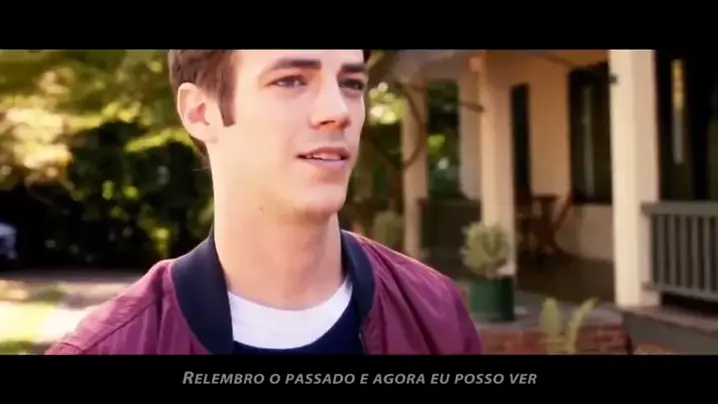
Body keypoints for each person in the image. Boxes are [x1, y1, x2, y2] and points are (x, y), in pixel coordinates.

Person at [46, 50, 482, 355]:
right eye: (290, 80)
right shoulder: (110, 349)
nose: (339, 110)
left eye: (351, 84)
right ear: (200, 112)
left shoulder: (435, 315)